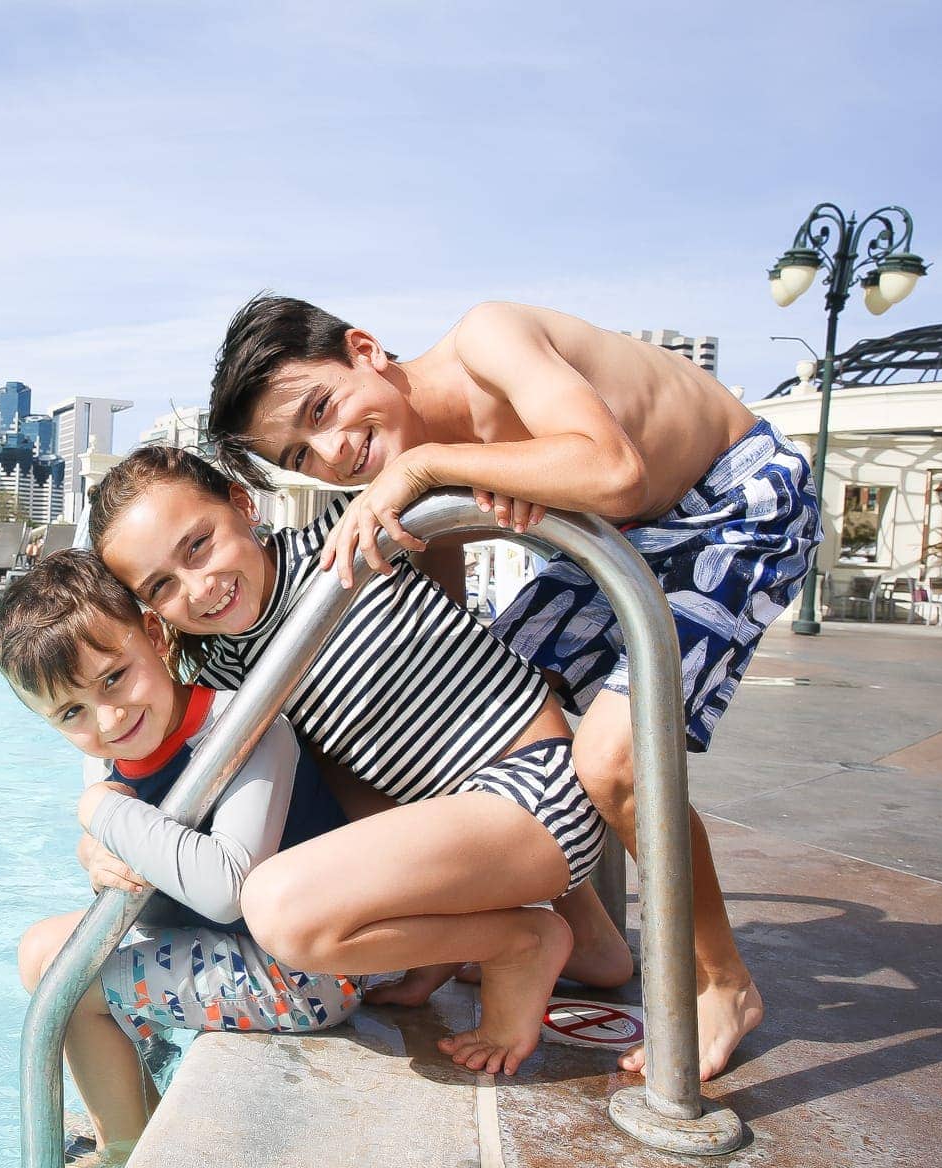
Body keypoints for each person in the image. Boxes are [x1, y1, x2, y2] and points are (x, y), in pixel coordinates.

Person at [205, 294, 822, 1078]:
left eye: (322, 408)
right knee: (470, 716)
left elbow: (614, 469)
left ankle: (721, 981)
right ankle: (584, 934)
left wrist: (425, 468)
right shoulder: (413, 473)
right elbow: (451, 657)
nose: (332, 452)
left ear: (366, 349)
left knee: (613, 763)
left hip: (730, 502)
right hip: (617, 543)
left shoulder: (486, 340)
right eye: (300, 457)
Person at [90, 445, 616, 1073]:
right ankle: (582, 944)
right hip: (457, 830)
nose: (198, 588)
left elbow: (455, 468)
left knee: (279, 911)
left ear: (241, 503)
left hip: (536, 792)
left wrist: (414, 469)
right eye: (162, 586)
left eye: (198, 545)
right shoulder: (217, 662)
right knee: (315, 781)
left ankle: (519, 942)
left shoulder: (343, 539)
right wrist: (105, 827)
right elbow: (148, 751)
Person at [0, 551, 358, 1168]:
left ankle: (126, 1157)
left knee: (68, 979)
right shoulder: (113, 755)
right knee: (43, 951)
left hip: (308, 974)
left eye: (114, 678)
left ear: (155, 636)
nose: (107, 719)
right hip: (237, 951)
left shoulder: (245, 728)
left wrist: (99, 815)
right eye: (71, 714)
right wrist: (94, 850)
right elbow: (140, 874)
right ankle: (128, 1122)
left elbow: (225, 889)